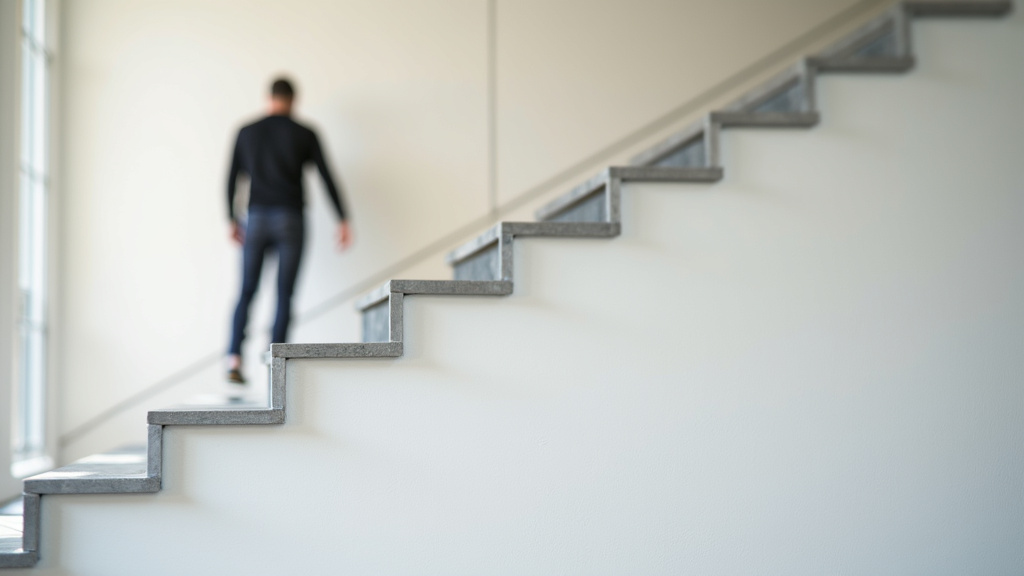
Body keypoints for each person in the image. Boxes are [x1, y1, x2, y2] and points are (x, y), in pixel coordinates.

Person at [225, 77, 351, 383]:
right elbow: (326, 176)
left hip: (255, 219)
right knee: (285, 293)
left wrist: (231, 218)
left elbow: (231, 179)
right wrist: (343, 218)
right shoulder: (304, 133)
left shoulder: (247, 132)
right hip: (291, 219)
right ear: (294, 100)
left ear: (269, 98)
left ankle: (234, 359)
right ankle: (275, 366)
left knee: (246, 290)